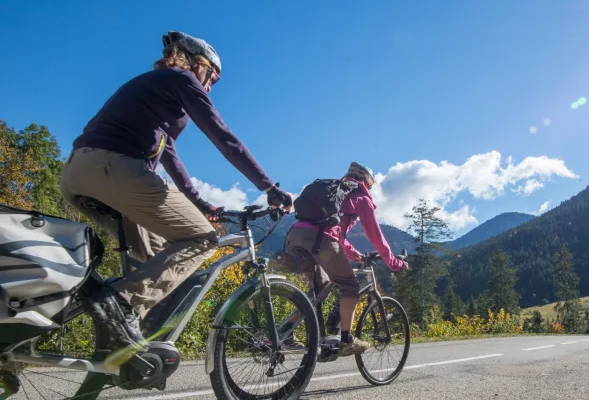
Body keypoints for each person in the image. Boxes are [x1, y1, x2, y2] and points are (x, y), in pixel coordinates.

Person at [60, 31, 292, 355]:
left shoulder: (155, 91)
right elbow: (223, 136)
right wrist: (269, 186)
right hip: (115, 167)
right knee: (203, 240)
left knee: (160, 257)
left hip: (77, 174)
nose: (210, 86)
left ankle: (125, 346)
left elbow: (170, 156)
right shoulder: (181, 79)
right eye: (213, 76)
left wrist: (199, 202)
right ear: (199, 64)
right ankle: (122, 304)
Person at [285, 162, 408, 356]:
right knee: (349, 286)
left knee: (321, 287)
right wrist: (394, 263)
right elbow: (376, 237)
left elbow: (339, 236)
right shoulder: (361, 198)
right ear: (367, 181)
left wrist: (355, 255)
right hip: (319, 241)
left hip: (295, 236)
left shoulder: (335, 193)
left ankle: (285, 330)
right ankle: (346, 340)